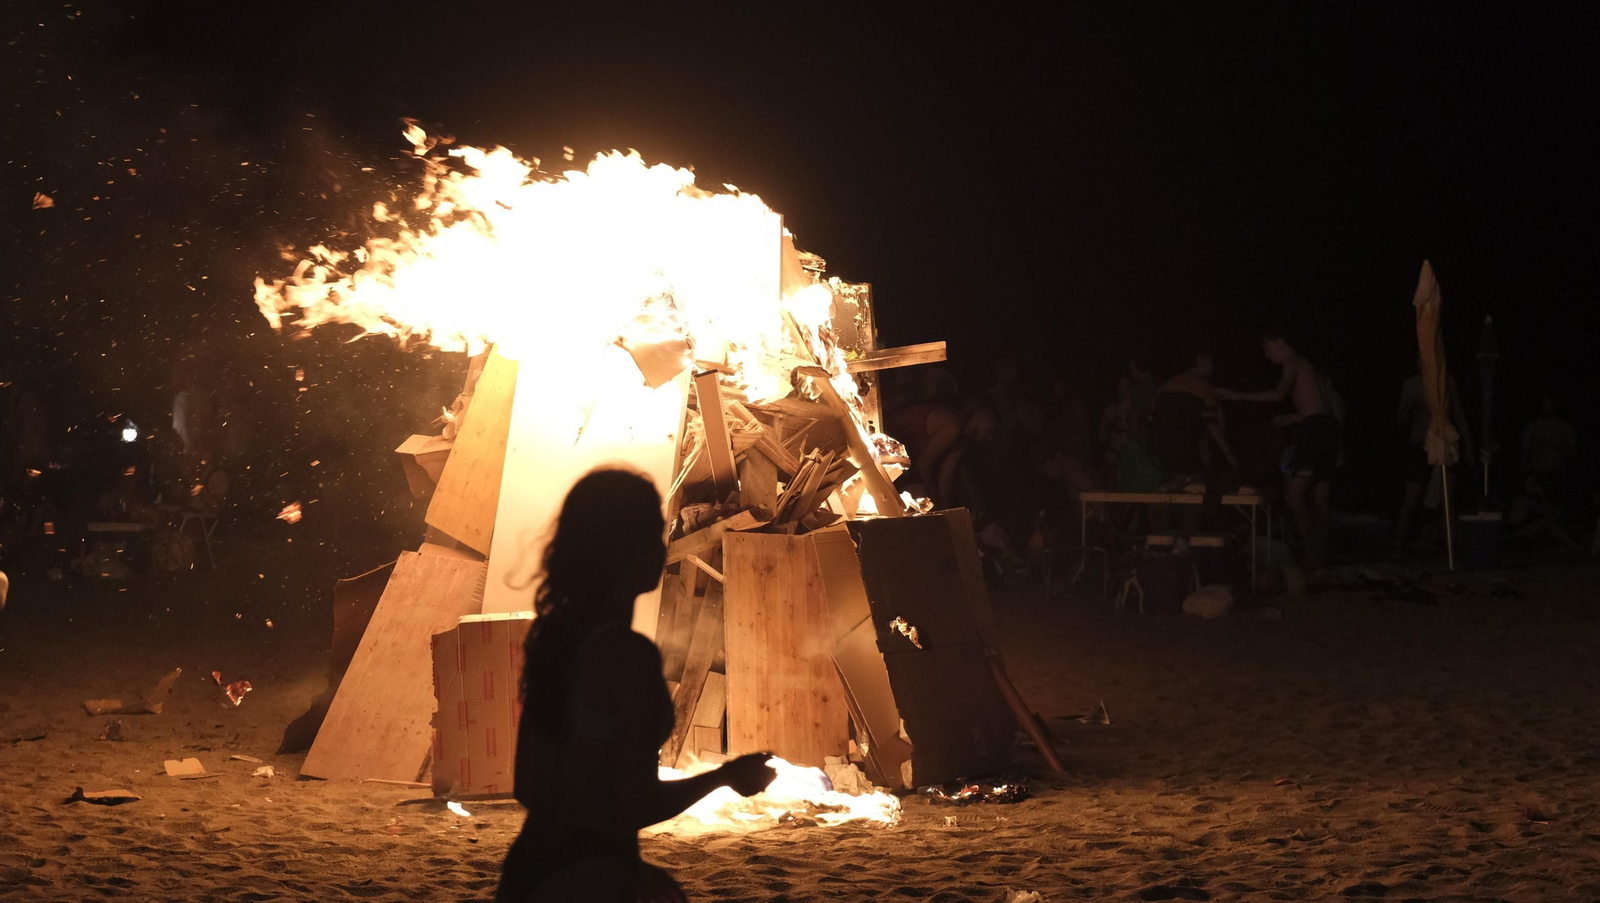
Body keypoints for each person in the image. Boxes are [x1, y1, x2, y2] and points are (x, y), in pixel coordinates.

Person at [497, 470, 776, 903]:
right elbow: (635, 804)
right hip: (589, 881)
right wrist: (726, 776)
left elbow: (526, 786)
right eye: (652, 530)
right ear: (621, 548)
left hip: (530, 874)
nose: (661, 545)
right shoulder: (626, 655)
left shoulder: (555, 639)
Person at [1218, 329, 1339, 569]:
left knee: (1293, 495)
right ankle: (1321, 554)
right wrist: (1293, 417)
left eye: (1268, 348)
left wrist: (1236, 395)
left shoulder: (1292, 362)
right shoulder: (1308, 365)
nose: (1266, 354)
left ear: (1281, 342)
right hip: (1328, 427)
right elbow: (1318, 406)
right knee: (1318, 497)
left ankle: (1312, 553)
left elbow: (1278, 394)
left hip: (1316, 429)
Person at [1395, 363, 1474, 550]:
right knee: (1412, 496)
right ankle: (1398, 542)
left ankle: (1450, 544)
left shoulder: (1447, 382)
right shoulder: (1413, 384)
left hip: (1443, 445)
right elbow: (1400, 420)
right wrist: (1408, 410)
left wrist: (1468, 445)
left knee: (1447, 495)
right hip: (1419, 445)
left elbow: (1458, 413)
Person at [1145, 349, 1238, 486]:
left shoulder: (1165, 386)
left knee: (1167, 495)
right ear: (1203, 361)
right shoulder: (1204, 386)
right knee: (1195, 496)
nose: (1212, 368)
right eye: (1211, 363)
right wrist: (1228, 454)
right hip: (1189, 457)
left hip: (1160, 455)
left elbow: (1149, 421)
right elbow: (1212, 423)